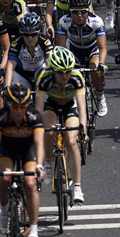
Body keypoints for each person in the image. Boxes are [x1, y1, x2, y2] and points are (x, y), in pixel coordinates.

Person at [0, 84, 45, 237]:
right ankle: (4, 212)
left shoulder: (34, 116)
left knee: (30, 183)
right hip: (7, 149)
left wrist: (40, 165)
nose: (19, 111)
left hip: (28, 149)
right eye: (15, 107)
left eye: (23, 107)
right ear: (9, 106)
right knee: (5, 177)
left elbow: (39, 143)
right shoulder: (2, 117)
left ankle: (33, 231)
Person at [34, 46, 87, 204]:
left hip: (70, 106)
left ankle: (77, 187)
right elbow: (38, 109)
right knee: (48, 131)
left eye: (67, 71)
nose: (64, 76)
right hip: (51, 105)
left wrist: (83, 127)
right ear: (53, 70)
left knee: (71, 140)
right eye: (60, 72)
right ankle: (48, 162)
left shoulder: (77, 77)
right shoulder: (44, 77)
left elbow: (82, 107)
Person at [56, 0, 109, 116]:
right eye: (75, 12)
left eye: (83, 11)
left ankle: (100, 96)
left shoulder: (96, 21)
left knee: (95, 70)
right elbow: (61, 49)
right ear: (69, 11)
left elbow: (103, 48)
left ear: (88, 10)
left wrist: (101, 64)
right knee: (69, 74)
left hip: (92, 48)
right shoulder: (64, 21)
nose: (79, 15)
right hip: (74, 50)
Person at [4, 12, 53, 91]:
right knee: (16, 96)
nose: (30, 38)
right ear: (21, 33)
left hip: (40, 71)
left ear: (39, 32)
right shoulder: (16, 43)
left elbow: (49, 64)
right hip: (21, 74)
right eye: (26, 35)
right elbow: (10, 67)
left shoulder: (45, 41)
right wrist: (6, 88)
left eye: (33, 34)